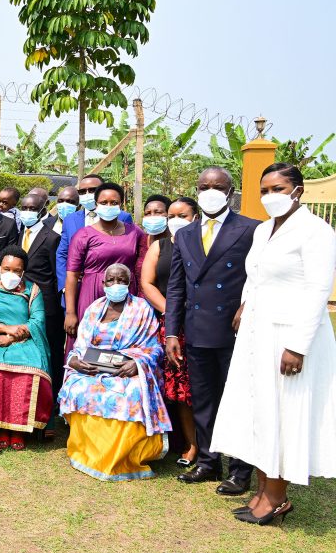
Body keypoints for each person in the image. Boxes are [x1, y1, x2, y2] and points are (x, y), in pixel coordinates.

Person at [210, 164, 336, 525]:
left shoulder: (316, 232)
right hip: (257, 332)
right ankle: (263, 489)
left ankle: (278, 498)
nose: (270, 197)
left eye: (278, 189)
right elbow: (256, 277)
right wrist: (244, 305)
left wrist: (297, 345)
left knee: (283, 411)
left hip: (289, 335)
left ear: (298, 190)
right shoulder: (264, 230)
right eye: (264, 190)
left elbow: (317, 291)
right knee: (260, 409)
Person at [168, 167, 258, 495]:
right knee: (204, 399)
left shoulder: (251, 229)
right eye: (204, 186)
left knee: (237, 401)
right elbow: (177, 286)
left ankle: (240, 469)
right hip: (196, 330)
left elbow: (261, 277)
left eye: (217, 186)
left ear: (230, 192)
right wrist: (172, 333)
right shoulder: (186, 234)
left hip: (236, 331)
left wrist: (249, 305)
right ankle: (207, 461)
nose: (210, 191)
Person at [58, 264, 171, 481]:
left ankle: (121, 459)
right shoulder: (94, 308)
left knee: (130, 394)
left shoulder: (141, 309)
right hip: (92, 369)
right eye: (111, 280)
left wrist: (136, 364)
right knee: (79, 387)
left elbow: (154, 347)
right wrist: (77, 363)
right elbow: (80, 346)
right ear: (103, 284)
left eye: (121, 280)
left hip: (127, 369)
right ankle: (88, 454)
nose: (116, 285)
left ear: (129, 284)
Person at [0, 246, 53, 452]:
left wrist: (11, 337)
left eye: (17, 270)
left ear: (24, 272)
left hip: (25, 341)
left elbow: (38, 321)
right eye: (7, 269)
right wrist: (4, 329)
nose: (11, 274)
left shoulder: (32, 290)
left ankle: (19, 430)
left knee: (31, 369)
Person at [140, 196, 198, 466]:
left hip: (200, 323)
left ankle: (203, 444)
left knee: (197, 387)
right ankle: (184, 442)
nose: (176, 221)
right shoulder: (159, 246)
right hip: (167, 324)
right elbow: (147, 283)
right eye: (171, 216)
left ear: (195, 217)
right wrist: (170, 312)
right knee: (175, 386)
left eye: (182, 216)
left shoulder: (202, 244)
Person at [64, 182, 147, 349]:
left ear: (121, 205)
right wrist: (71, 312)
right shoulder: (83, 235)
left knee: (125, 341)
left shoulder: (135, 232)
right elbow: (72, 275)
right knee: (89, 346)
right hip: (92, 293)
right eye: (104, 203)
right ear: (96, 205)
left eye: (114, 203)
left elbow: (141, 268)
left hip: (126, 294)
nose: (109, 206)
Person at [17, 193, 65, 399]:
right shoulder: (18, 233)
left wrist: (56, 307)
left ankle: (53, 396)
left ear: (43, 210)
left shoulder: (52, 238)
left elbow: (56, 275)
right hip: (20, 300)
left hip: (46, 304)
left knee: (51, 350)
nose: (27, 213)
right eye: (24, 208)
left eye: (32, 209)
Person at [56, 175, 134, 300]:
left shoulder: (123, 218)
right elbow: (62, 253)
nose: (87, 194)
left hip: (112, 287)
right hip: (75, 287)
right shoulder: (70, 220)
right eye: (82, 191)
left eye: (92, 190)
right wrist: (65, 285)